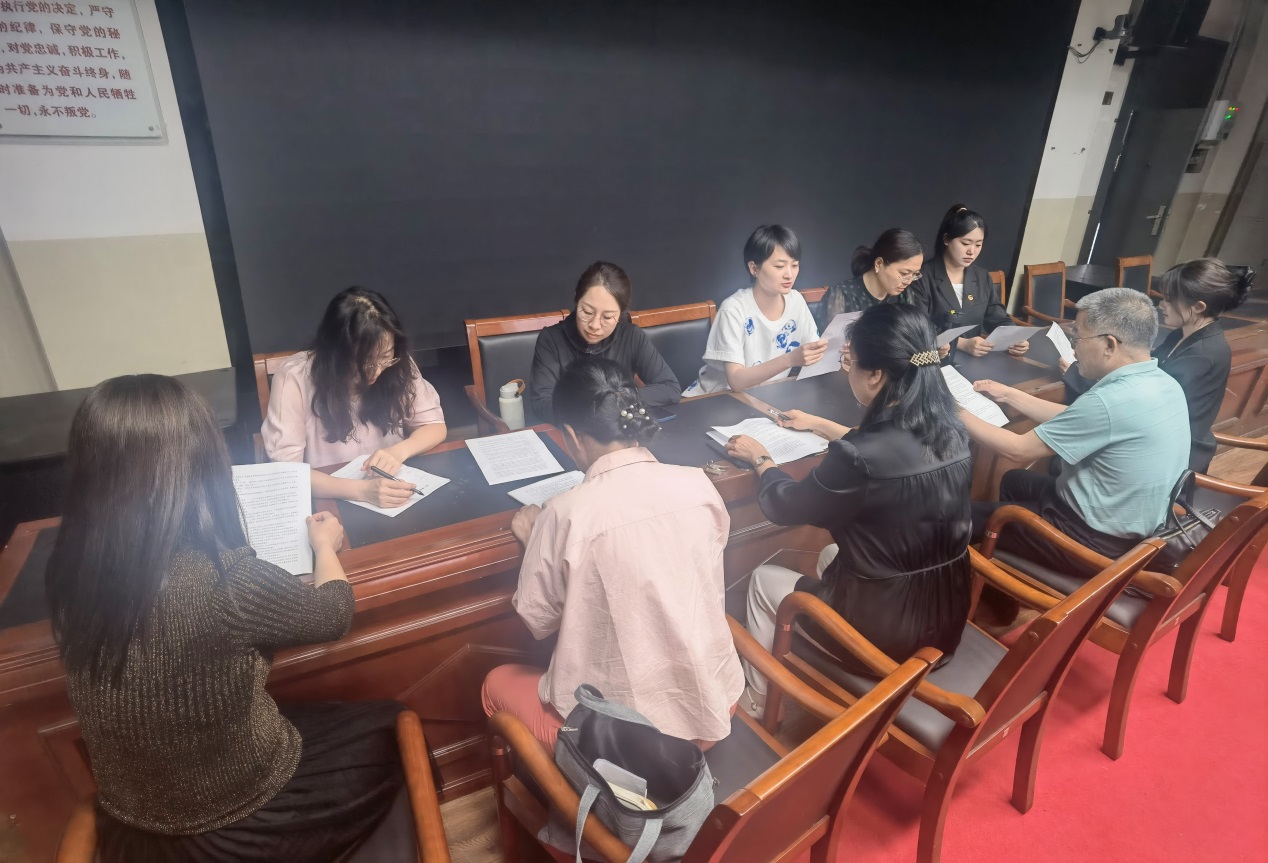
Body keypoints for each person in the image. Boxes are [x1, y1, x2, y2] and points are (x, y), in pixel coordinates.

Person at [45, 375, 403, 862]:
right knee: (390, 724)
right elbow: (334, 612)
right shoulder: (225, 580)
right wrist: (324, 546)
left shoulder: (68, 568)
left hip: (132, 820)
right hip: (229, 828)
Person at [482, 358, 744, 750]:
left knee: (494, 684)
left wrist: (534, 540)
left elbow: (539, 619)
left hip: (628, 746)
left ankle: (563, 784)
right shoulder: (699, 485)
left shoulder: (564, 514)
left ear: (572, 435)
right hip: (716, 704)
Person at [727, 303, 973, 714]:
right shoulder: (953, 431)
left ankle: (758, 701)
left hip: (885, 639)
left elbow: (785, 506)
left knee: (764, 579)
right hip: (945, 619)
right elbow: (891, 453)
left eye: (850, 361)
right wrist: (822, 425)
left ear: (875, 374)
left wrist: (761, 460)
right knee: (830, 553)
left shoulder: (858, 457)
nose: (848, 371)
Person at [967, 288, 1191, 577]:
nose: (1073, 349)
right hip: (1133, 530)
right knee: (1015, 480)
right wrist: (1011, 395)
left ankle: (993, 573)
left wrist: (949, 406)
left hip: (1091, 540)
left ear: (1109, 344)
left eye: (1078, 339)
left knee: (963, 518)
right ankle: (1007, 567)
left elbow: (1017, 449)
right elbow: (1080, 420)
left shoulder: (1110, 400)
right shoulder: (1163, 383)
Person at [1061, 259, 1253, 474]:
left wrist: (1077, 375)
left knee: (1069, 456)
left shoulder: (1201, 355)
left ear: (1198, 307)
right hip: (1158, 436)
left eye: (1170, 300)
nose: (1161, 305)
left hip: (1172, 456)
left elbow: (1140, 404)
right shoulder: (1182, 335)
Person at [262, 286, 447, 508]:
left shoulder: (397, 366)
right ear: (336, 354)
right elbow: (289, 472)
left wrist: (398, 452)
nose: (376, 372)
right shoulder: (295, 377)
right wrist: (363, 491)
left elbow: (434, 426)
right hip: (328, 501)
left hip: (389, 489)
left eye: (385, 357)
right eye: (365, 362)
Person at [528, 261, 681, 421]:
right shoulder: (551, 339)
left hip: (620, 429)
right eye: (587, 312)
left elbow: (670, 388)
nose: (594, 325)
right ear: (576, 298)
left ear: (621, 313)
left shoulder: (631, 336)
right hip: (575, 430)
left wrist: (617, 400)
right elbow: (542, 403)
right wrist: (596, 408)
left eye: (607, 317)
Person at [685, 225, 826, 395]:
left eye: (794, 265)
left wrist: (841, 354)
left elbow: (814, 352)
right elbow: (736, 381)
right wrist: (790, 359)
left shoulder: (796, 300)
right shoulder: (733, 310)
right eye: (779, 266)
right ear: (754, 268)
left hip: (766, 395)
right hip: (716, 398)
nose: (789, 274)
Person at [911, 205, 1028, 357]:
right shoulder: (921, 277)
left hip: (975, 360)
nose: (971, 251)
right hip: (935, 359)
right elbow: (917, 327)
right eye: (965, 243)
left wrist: (1014, 337)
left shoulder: (982, 277)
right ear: (946, 239)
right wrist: (961, 344)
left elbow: (998, 317)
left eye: (978, 244)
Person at [813, 228, 924, 332]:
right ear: (879, 264)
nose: (909, 281)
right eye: (904, 273)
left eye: (915, 274)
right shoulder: (842, 295)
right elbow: (830, 344)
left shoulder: (904, 295)